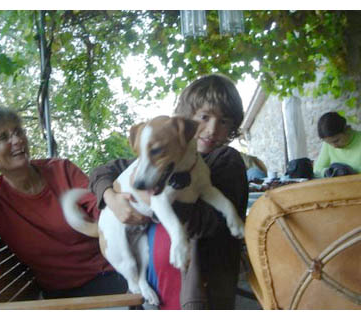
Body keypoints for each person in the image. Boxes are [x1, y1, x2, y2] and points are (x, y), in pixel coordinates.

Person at [89, 74, 248, 309]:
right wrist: (111, 198)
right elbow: (101, 172)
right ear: (186, 120)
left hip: (196, 288)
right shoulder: (160, 155)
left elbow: (209, 223)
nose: (212, 129)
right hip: (149, 280)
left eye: (224, 121)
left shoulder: (226, 160)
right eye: (204, 117)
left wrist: (152, 199)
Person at [0, 106, 127, 299]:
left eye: (18, 132)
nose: (17, 140)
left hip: (113, 271)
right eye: (3, 138)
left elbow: (102, 211)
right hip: (67, 296)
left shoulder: (60, 169)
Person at [312, 111, 361, 178]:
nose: (334, 146)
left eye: (336, 141)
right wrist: (328, 172)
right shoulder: (328, 145)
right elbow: (317, 170)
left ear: (347, 129)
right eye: (329, 143)